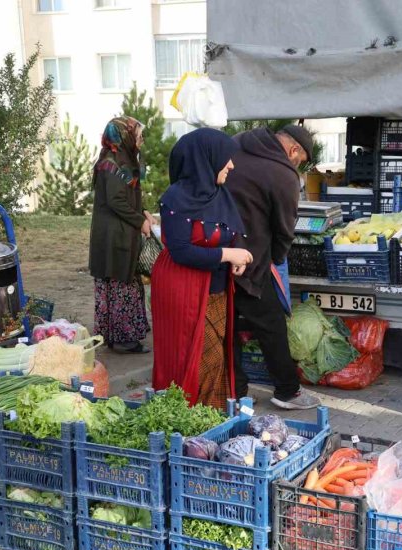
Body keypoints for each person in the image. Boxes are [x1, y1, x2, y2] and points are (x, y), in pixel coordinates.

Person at [150, 129, 253, 408]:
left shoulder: (220, 195)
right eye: (225, 158)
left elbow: (231, 229)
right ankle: (191, 422)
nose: (231, 165)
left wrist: (235, 259)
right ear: (205, 159)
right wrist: (227, 254)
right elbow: (181, 250)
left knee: (216, 354)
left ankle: (211, 419)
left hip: (216, 289)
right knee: (194, 356)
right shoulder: (175, 199)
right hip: (183, 289)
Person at [226, 124, 321, 410]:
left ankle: (235, 389)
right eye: (300, 160)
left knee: (226, 324)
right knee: (271, 324)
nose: (298, 165)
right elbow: (284, 228)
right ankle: (287, 391)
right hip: (252, 256)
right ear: (293, 150)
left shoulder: (237, 142)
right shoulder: (283, 173)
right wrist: (276, 259)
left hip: (216, 250)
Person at [89, 116, 154, 354]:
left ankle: (117, 337)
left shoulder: (121, 159)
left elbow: (130, 194)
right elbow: (117, 200)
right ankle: (124, 341)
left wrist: (144, 210)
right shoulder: (112, 163)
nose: (141, 139)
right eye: (138, 134)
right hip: (115, 236)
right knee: (121, 283)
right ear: (125, 136)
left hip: (117, 233)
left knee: (119, 284)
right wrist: (139, 222)